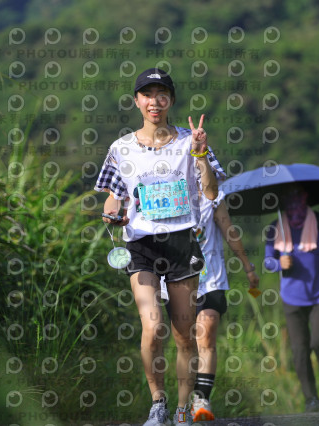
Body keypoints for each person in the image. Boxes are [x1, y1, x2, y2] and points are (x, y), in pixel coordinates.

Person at [94, 68, 225, 426]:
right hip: (141, 244)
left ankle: (183, 409)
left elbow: (211, 192)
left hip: (182, 242)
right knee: (152, 327)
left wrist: (201, 154)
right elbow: (113, 197)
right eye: (147, 94)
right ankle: (158, 403)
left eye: (161, 94)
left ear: (171, 100)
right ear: (137, 101)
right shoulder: (121, 148)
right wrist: (112, 213)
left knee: (184, 335)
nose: (155, 101)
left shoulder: (190, 142)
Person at [263, 184, 319, 413]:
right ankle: (311, 397)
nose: (295, 204)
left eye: (298, 198)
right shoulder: (275, 227)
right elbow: (267, 261)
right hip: (292, 298)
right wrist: (278, 263)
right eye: (289, 199)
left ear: (306, 198)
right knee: (300, 350)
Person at [187, 186, 260, 421]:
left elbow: (230, 232)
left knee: (206, 335)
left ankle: (201, 399)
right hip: (178, 280)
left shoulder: (213, 199)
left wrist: (248, 268)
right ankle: (180, 401)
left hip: (211, 280)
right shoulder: (168, 192)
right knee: (186, 343)